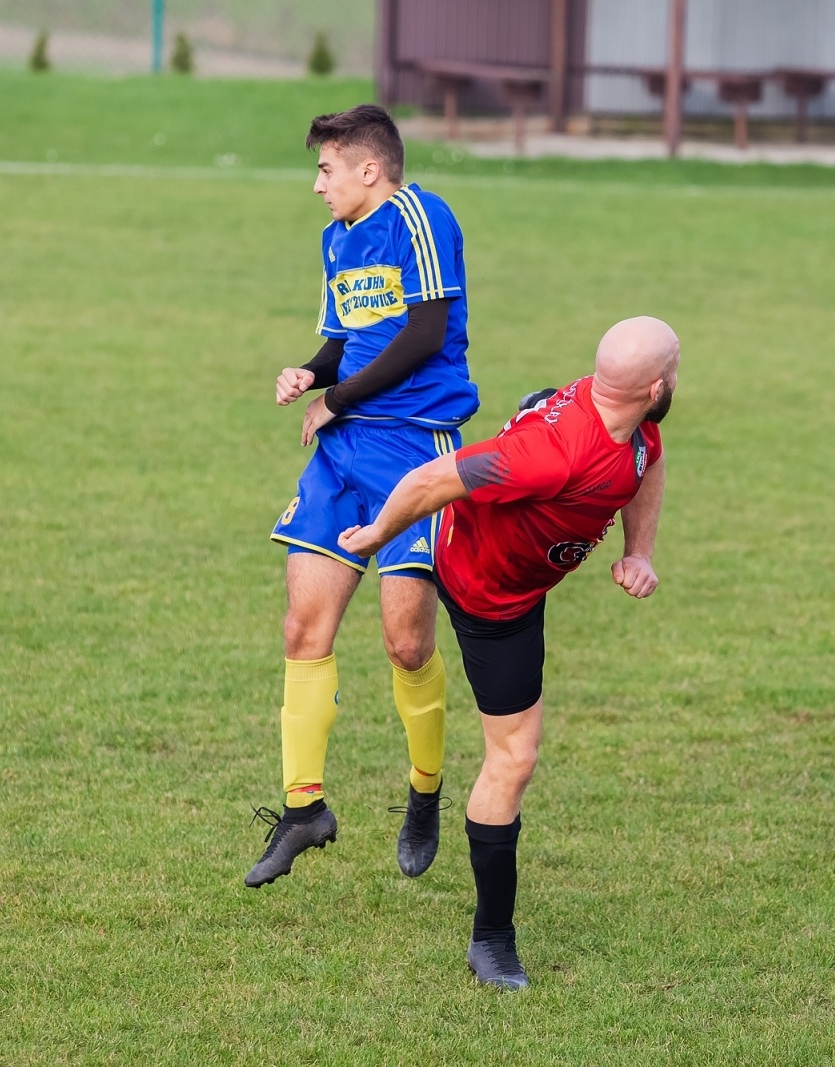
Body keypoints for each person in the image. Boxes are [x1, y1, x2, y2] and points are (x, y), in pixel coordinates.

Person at [337, 316, 680, 989]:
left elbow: (649, 459)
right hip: (481, 588)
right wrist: (374, 534)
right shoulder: (551, 455)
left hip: (514, 592)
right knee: (438, 679)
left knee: (501, 748)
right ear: (659, 384)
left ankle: (482, 922)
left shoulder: (632, 425)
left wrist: (638, 551)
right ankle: (470, 890)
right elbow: (431, 480)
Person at [246, 104, 480, 889]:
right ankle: (304, 806)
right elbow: (347, 335)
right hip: (342, 455)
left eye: (326, 169)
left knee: (406, 642)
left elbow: (423, 332)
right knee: (302, 623)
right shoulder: (336, 239)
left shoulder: (420, 215)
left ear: (368, 170)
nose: (318, 186)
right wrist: (312, 373)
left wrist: (338, 398)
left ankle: (424, 791)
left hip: (417, 449)